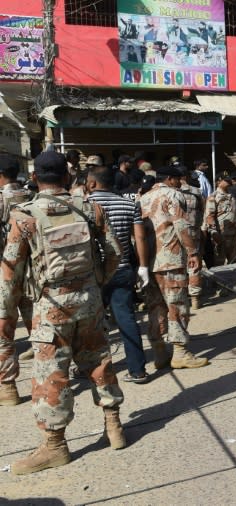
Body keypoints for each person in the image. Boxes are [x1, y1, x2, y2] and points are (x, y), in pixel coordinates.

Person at [0, 151, 125, 475]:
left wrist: (7, 313)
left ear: (35, 178)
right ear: (67, 177)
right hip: (91, 301)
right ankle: (114, 427)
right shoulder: (88, 207)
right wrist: (97, 282)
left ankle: (55, 446)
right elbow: (113, 251)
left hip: (51, 307)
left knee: (51, 373)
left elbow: (11, 271)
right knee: (99, 361)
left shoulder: (24, 216)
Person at [140, 165, 209, 370]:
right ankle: (180, 353)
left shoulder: (142, 198)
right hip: (171, 258)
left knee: (156, 307)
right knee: (177, 306)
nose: (181, 183)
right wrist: (193, 252)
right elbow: (182, 226)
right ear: (170, 179)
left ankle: (159, 352)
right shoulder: (173, 195)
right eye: (179, 179)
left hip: (149, 261)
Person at [86, 165, 151, 383]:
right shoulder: (128, 204)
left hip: (92, 275)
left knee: (90, 324)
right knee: (126, 319)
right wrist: (143, 266)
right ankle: (138, 370)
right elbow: (139, 238)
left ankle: (91, 369)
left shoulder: (84, 205)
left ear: (93, 183)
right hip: (122, 270)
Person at [0, 155, 34, 395]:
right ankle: (51, 377)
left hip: (6, 271)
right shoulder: (32, 196)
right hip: (32, 271)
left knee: (4, 329)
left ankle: (8, 387)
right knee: (39, 325)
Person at [179, 165, 206, 309]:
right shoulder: (196, 192)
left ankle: (182, 297)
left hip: (176, 235)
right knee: (194, 265)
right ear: (187, 176)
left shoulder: (171, 192)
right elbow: (203, 212)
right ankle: (195, 298)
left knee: (179, 266)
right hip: (193, 233)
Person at [203, 172, 236, 266]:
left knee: (235, 263)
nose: (229, 182)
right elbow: (209, 217)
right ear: (218, 181)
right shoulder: (214, 197)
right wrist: (214, 233)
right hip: (220, 236)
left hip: (233, 236)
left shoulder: (231, 196)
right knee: (219, 264)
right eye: (226, 180)